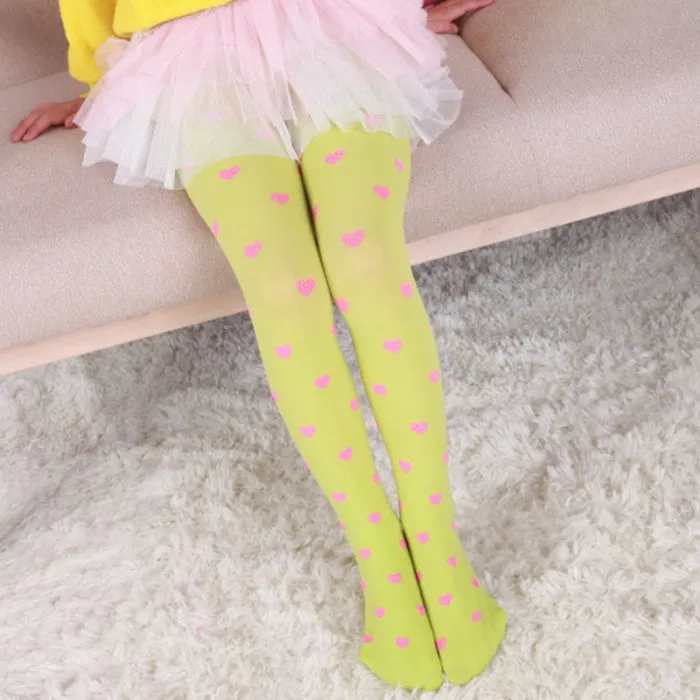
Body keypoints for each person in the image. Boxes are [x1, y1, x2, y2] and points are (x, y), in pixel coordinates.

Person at [11, 0, 505, 690]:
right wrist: (103, 82)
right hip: (186, 53)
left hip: (330, 22)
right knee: (282, 286)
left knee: (364, 258)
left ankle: (437, 544)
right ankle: (381, 561)